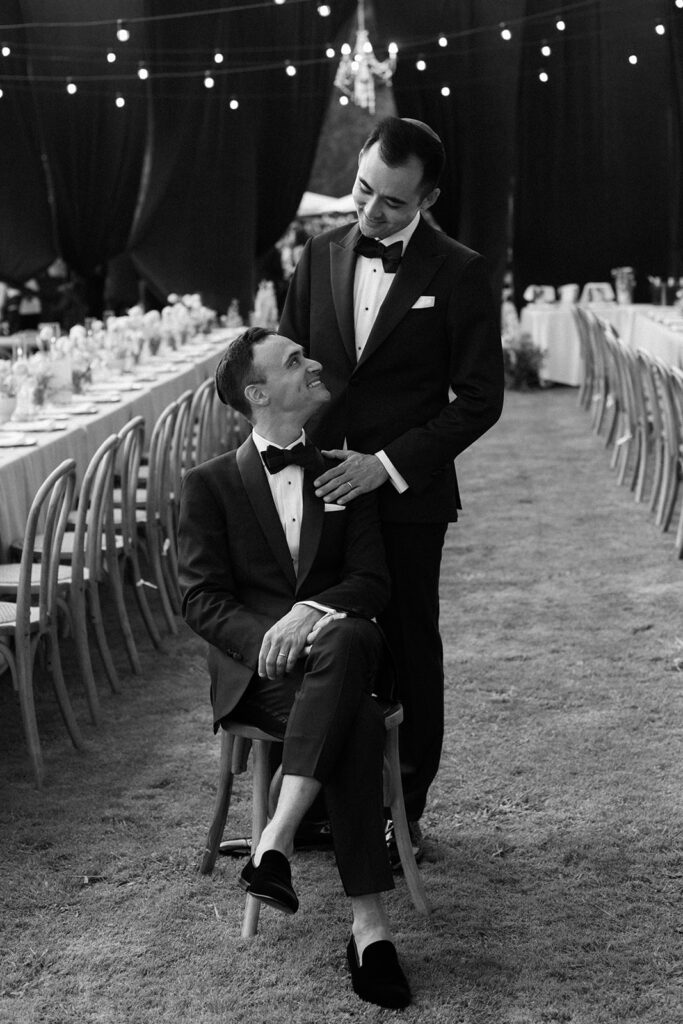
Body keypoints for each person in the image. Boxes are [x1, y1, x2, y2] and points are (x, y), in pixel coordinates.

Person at [279, 116, 504, 858]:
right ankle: (309, 803)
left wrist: (385, 464)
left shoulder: (463, 271)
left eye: (391, 204)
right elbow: (288, 369)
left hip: (407, 495)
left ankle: (402, 812)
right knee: (320, 642)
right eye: (362, 191)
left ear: (428, 199)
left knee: (409, 647)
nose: (369, 213)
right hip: (319, 492)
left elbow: (478, 399)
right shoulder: (316, 256)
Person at [177, 326, 411, 1010]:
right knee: (356, 720)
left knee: (341, 639)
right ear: (258, 393)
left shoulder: (346, 471)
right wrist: (269, 638)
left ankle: (273, 838)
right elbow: (200, 598)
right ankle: (368, 927)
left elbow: (371, 583)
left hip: (340, 649)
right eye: (294, 361)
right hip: (263, 679)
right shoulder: (208, 485)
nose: (312, 364)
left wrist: (307, 613)